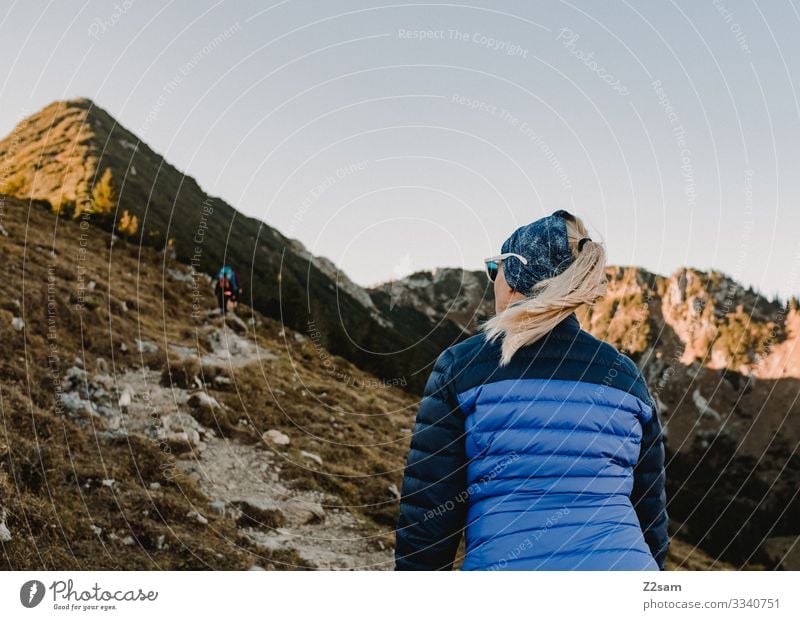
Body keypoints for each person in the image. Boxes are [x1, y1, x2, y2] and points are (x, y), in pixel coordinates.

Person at [394, 210, 669, 570]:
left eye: (495, 269)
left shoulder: (461, 366)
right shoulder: (626, 374)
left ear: (512, 278)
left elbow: (430, 513)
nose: (493, 280)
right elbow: (650, 515)